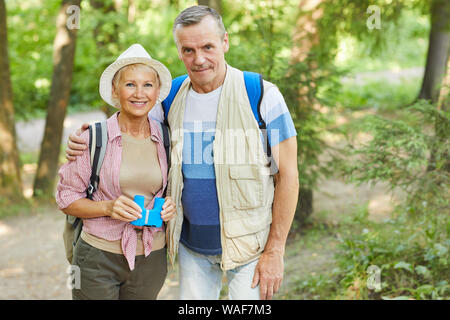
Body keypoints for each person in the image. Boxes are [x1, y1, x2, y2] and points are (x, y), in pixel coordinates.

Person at [65, 6, 299, 300]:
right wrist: (86, 136)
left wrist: (275, 251)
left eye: (208, 47)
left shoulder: (261, 94)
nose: (199, 59)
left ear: (225, 42)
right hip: (191, 250)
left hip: (250, 248)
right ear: (178, 51)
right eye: (188, 50)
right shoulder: (170, 98)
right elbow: (128, 128)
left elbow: (288, 177)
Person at [55, 44, 177, 300]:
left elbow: (168, 190)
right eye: (130, 84)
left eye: (147, 85)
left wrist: (169, 207)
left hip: (151, 256)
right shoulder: (93, 138)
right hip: (98, 256)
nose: (139, 93)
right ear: (115, 90)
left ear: (157, 92)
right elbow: (66, 198)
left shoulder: (166, 137)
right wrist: (108, 208)